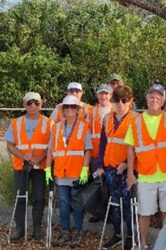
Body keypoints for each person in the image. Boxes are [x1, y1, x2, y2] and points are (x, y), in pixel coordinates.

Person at [125, 84, 166, 249]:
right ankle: (144, 244)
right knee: (144, 213)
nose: (154, 100)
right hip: (145, 175)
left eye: (158, 97)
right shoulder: (136, 121)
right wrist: (130, 173)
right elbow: (130, 149)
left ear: (163, 100)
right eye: (151, 97)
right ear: (146, 99)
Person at [45, 95, 92, 248]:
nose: (70, 109)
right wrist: (47, 168)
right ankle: (65, 231)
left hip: (76, 173)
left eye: (73, 107)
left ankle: (77, 232)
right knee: (64, 204)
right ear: (63, 110)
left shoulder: (84, 127)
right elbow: (51, 150)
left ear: (78, 110)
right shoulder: (56, 126)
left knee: (77, 204)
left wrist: (85, 170)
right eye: (67, 107)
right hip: (60, 173)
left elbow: (88, 150)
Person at [6, 92, 52, 242]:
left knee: (39, 198)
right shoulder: (16, 122)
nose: (33, 106)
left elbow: (51, 146)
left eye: (36, 103)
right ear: (24, 104)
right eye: (29, 103)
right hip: (21, 166)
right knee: (19, 197)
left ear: (41, 105)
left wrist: (38, 158)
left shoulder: (49, 122)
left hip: (40, 166)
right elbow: (10, 145)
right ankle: (20, 228)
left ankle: (37, 229)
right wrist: (23, 156)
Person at [95, 85, 136, 250]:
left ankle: (131, 236)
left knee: (128, 205)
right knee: (114, 204)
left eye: (124, 100)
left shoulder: (136, 119)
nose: (120, 103)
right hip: (110, 168)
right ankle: (117, 235)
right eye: (117, 100)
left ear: (130, 101)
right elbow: (103, 144)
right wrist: (100, 165)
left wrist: (127, 164)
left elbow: (138, 147)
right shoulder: (107, 118)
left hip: (126, 170)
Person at [88, 84, 113, 223]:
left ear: (110, 95)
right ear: (97, 95)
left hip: (110, 154)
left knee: (109, 183)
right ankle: (97, 212)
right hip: (94, 154)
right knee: (96, 184)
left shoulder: (115, 110)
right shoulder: (91, 112)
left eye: (106, 93)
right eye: (101, 93)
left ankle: (110, 212)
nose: (103, 96)